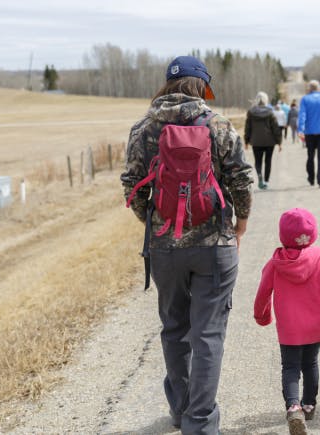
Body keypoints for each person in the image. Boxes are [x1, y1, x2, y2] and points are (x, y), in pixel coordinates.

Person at [121, 55, 254, 435]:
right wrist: (239, 224)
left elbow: (131, 186)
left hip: (164, 248)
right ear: (201, 85)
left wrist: (156, 220)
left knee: (174, 329)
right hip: (215, 244)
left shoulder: (143, 127)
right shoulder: (217, 124)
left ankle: (181, 410)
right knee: (208, 333)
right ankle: (200, 422)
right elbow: (242, 179)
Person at [254, 208, 320, 435]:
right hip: (315, 325)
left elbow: (263, 292)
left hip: (289, 328)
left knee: (290, 367)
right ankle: (309, 404)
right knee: (310, 363)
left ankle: (293, 407)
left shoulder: (276, 263)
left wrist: (262, 316)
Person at [244, 92, 282, 190]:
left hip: (256, 141)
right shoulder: (270, 112)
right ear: (266, 100)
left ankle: (260, 176)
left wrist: (246, 141)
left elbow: (248, 128)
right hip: (270, 141)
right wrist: (279, 142)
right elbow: (275, 128)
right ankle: (266, 181)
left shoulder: (251, 112)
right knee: (268, 161)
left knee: (258, 161)